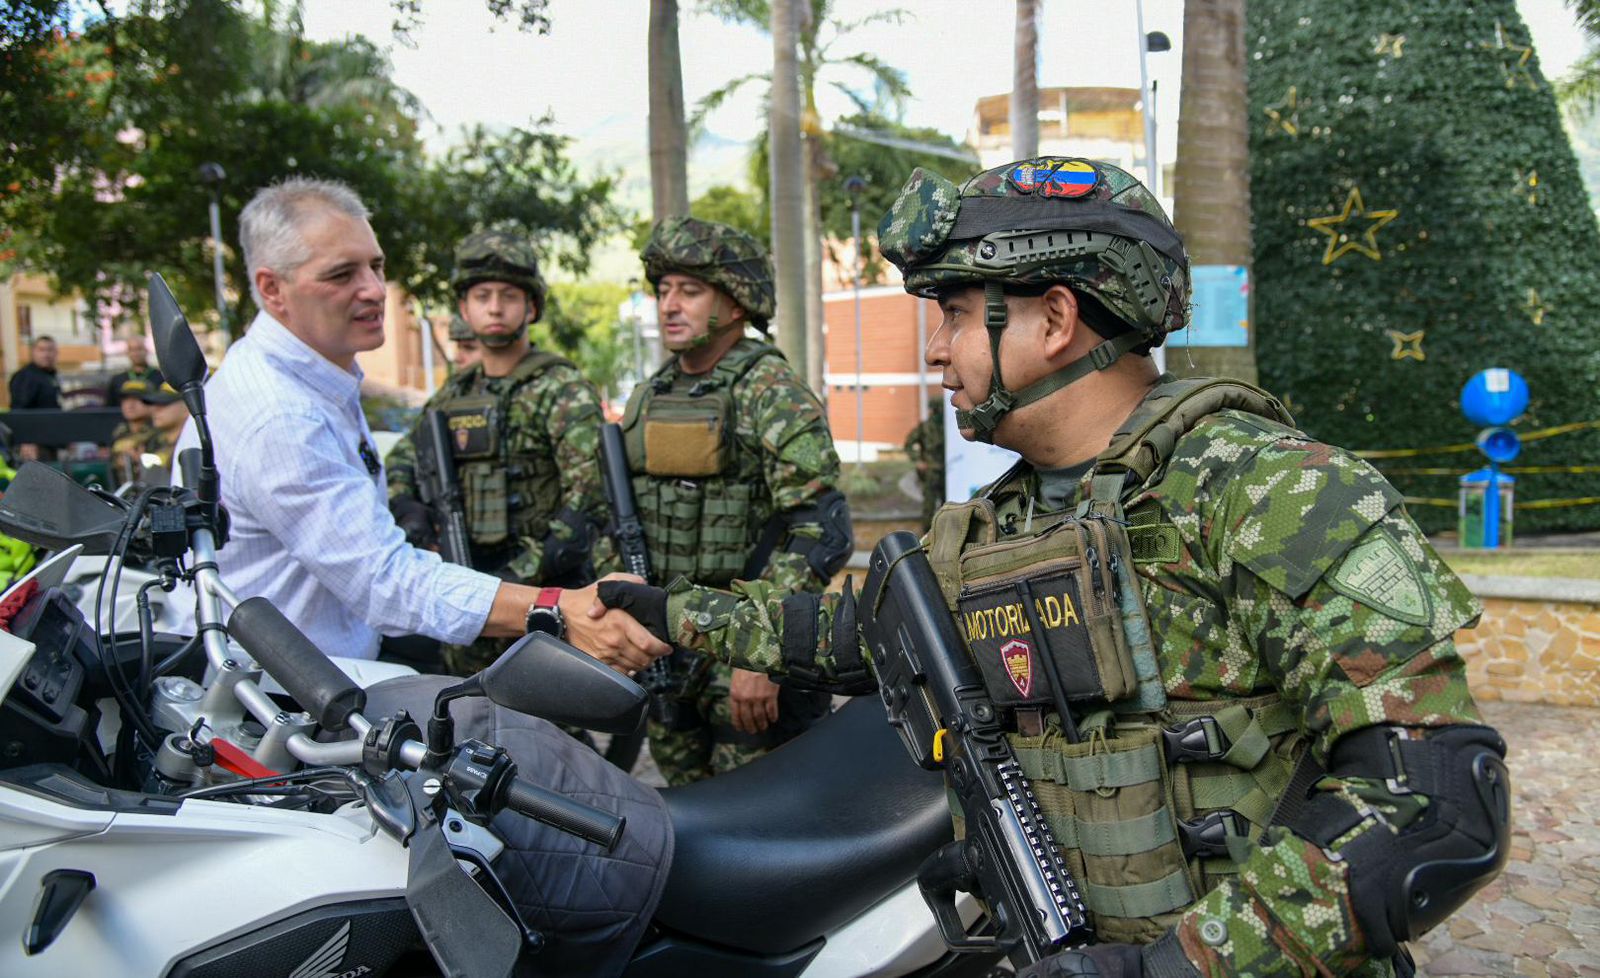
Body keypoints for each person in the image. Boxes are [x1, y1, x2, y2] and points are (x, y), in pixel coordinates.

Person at [589, 159, 1509, 977]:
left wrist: (1172, 965)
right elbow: (858, 642)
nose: (937, 349)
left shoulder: (1272, 492)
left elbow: (1431, 797)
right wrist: (669, 611)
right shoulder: (999, 524)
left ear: (1057, 319)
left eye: (952, 314)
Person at [170, 177, 671, 973]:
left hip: (372, 662)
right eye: (342, 275)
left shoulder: (318, 380)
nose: (373, 291)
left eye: (374, 266)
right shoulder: (279, 411)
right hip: (313, 709)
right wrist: (551, 608)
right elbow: (384, 576)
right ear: (271, 288)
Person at [596, 216, 851, 785]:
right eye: (663, 291)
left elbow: (819, 529)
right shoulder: (650, 396)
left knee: (766, 826)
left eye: (689, 290)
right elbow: (611, 517)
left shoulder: (768, 390)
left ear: (737, 304)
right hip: (664, 652)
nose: (669, 305)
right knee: (683, 819)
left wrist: (766, 652)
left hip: (740, 653)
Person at [385, 231, 608, 677]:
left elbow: (590, 495)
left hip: (542, 602)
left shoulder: (560, 389)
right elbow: (402, 461)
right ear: (464, 309)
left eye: (509, 295)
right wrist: (409, 510)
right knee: (470, 726)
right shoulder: (454, 395)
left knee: (550, 731)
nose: (494, 306)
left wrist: (516, 575)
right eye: (481, 295)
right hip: (467, 598)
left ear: (531, 307)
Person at [8, 335, 61, 461]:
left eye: (50, 350)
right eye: (41, 350)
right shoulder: (26, 376)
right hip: (34, 445)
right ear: (33, 352)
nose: (46, 354)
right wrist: (26, 440)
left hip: (50, 440)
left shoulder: (49, 376)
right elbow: (19, 410)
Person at [903, 395, 945, 532]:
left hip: (948, 472)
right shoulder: (925, 427)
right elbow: (908, 444)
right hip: (931, 472)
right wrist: (918, 461)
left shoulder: (950, 427)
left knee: (949, 505)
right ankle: (927, 538)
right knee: (929, 506)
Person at [105, 335, 163, 405]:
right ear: (127, 353)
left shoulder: (161, 377)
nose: (136, 353)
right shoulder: (117, 380)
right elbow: (109, 406)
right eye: (132, 349)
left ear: (146, 350)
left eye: (139, 349)